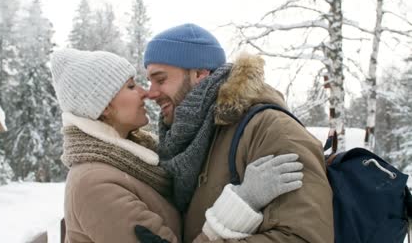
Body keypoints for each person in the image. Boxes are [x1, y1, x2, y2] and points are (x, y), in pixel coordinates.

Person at [50, 49, 304, 243]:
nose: (144, 93)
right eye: (130, 86)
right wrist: (241, 203)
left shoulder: (134, 161)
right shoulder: (95, 184)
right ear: (104, 106)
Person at [142, 23, 334, 243]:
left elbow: (305, 237)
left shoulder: (271, 130)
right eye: (149, 81)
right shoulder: (189, 140)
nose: (151, 93)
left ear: (199, 74)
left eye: (161, 79)